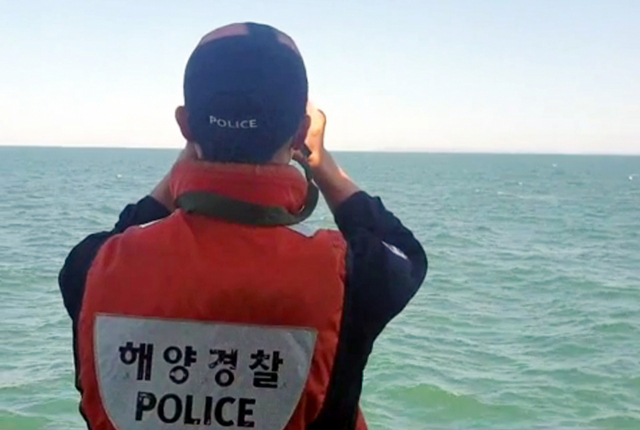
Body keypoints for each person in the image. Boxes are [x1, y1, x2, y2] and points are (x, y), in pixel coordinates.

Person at [58, 22, 427, 430]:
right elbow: (405, 254)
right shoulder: (352, 276)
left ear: (185, 126)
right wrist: (322, 164)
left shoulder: (89, 270)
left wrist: (190, 159)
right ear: (301, 132)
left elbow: (120, 237)